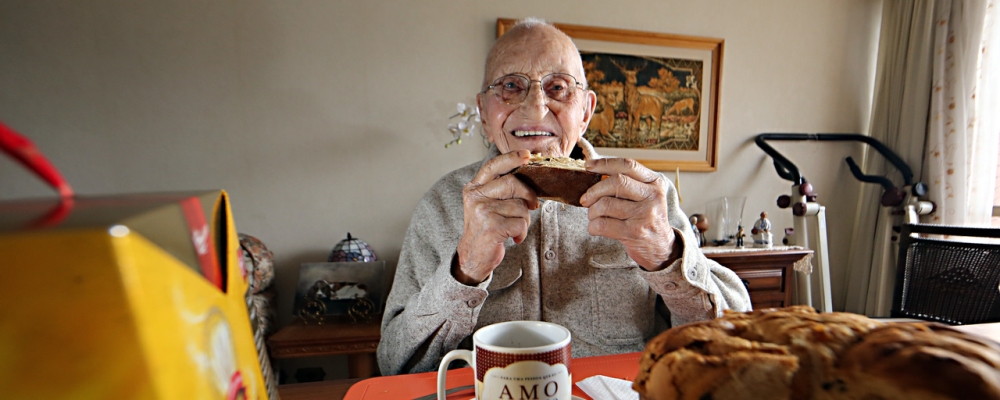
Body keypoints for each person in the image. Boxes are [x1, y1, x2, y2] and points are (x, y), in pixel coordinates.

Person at [377, 18, 751, 375]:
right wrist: (465, 270)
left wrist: (666, 254)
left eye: (557, 87)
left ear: (585, 111)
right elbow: (395, 364)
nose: (536, 107)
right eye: (510, 86)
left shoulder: (645, 197)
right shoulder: (443, 203)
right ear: (485, 115)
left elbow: (737, 341)